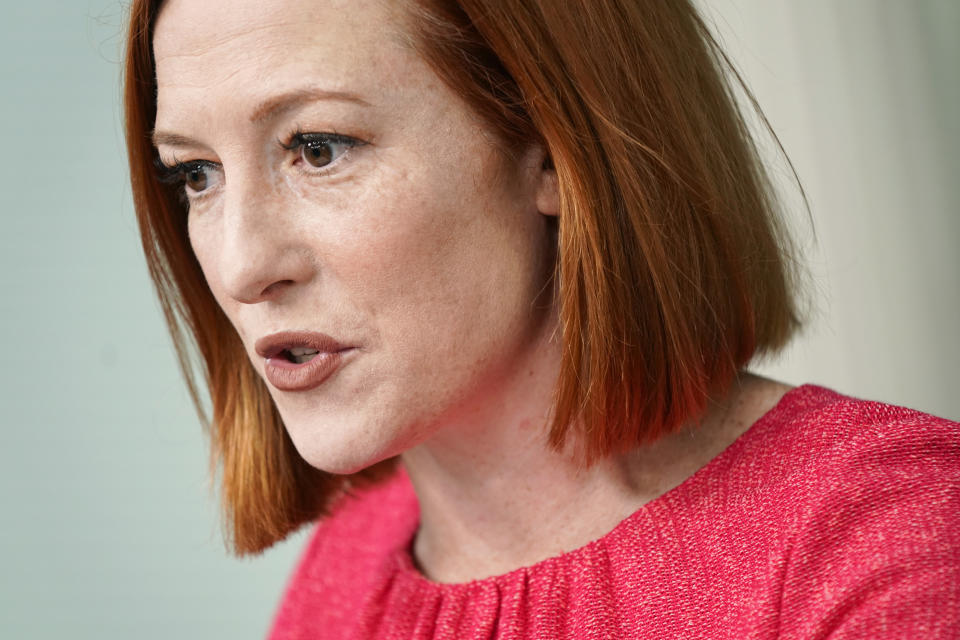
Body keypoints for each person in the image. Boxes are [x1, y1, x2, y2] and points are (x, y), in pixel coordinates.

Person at [123, 0, 959, 637]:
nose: (239, 266)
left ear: (557, 148)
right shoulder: (343, 579)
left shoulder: (889, 533)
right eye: (195, 173)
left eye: (318, 148)